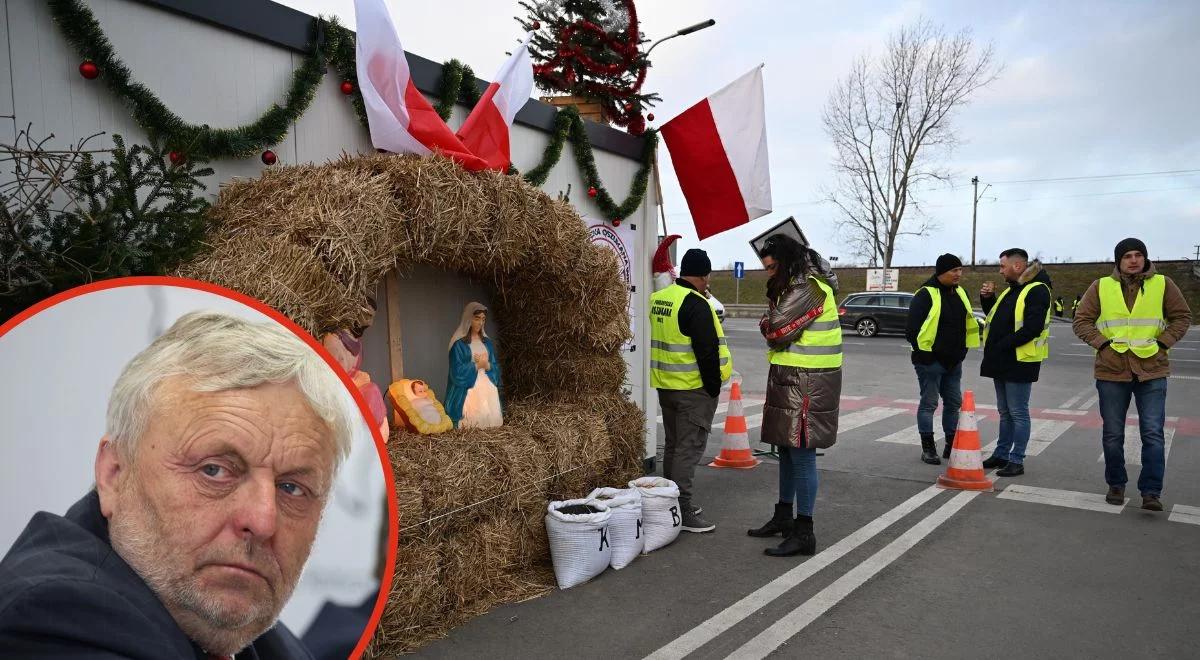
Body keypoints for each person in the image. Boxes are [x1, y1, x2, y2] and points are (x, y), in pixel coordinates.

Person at [0, 311, 354, 658]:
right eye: (214, 471)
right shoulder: (55, 621)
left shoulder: (266, 641)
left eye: (291, 488)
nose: (263, 521)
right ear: (114, 474)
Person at [1072, 238, 1192, 511]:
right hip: (1112, 370)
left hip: (1152, 369)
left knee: (1152, 433)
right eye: (1128, 256)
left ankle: (1151, 492)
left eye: (1139, 255)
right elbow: (1081, 321)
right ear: (1119, 261)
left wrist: (1163, 343)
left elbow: (1182, 316)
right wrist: (1102, 345)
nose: (1134, 260)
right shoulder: (1101, 286)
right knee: (1113, 433)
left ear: (1146, 258)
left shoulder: (1163, 284)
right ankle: (1116, 483)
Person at [747, 235, 842, 557]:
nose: (769, 273)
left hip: (807, 382)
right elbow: (778, 328)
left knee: (801, 457)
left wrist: (767, 322)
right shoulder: (796, 285)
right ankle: (784, 516)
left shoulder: (807, 288)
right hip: (793, 379)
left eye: (773, 267)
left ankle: (805, 531)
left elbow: (775, 330)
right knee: (787, 451)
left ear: (787, 262)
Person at [649, 248, 731, 533]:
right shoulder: (697, 304)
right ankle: (682, 510)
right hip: (692, 389)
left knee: (673, 446)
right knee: (687, 450)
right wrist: (713, 387)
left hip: (666, 386)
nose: (708, 283)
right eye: (707, 277)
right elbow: (707, 352)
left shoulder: (659, 299)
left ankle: (666, 505)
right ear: (703, 276)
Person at [979, 248, 1052, 477]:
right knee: (1005, 412)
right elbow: (998, 318)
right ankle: (1001, 454)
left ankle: (1016, 459)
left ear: (1017, 266)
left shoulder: (1037, 290)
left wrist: (1002, 344)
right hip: (1003, 360)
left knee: (1018, 412)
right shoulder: (1014, 290)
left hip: (1020, 360)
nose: (1000, 271)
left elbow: (1032, 328)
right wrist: (988, 299)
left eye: (1002, 266)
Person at [904, 253, 979, 465]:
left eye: (960, 270)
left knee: (953, 402)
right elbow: (911, 330)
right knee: (929, 403)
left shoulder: (961, 292)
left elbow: (964, 324)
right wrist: (926, 357)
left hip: (954, 362)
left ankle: (950, 445)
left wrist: (961, 352)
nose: (959, 274)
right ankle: (928, 448)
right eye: (954, 270)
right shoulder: (925, 294)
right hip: (930, 362)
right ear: (941, 272)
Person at [445, 302, 503, 429]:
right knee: (472, 421)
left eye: (483, 319)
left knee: (490, 421)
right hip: (469, 389)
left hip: (487, 387)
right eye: (477, 319)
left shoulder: (487, 343)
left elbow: (495, 367)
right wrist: (476, 366)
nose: (480, 323)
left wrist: (487, 365)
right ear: (468, 319)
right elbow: (456, 372)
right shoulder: (459, 345)